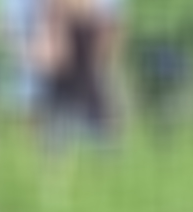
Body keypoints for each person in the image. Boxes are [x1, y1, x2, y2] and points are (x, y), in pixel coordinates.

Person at [29, 0, 123, 142]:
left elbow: (105, 52)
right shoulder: (51, 20)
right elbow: (47, 58)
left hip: (90, 100)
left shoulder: (97, 21)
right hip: (62, 102)